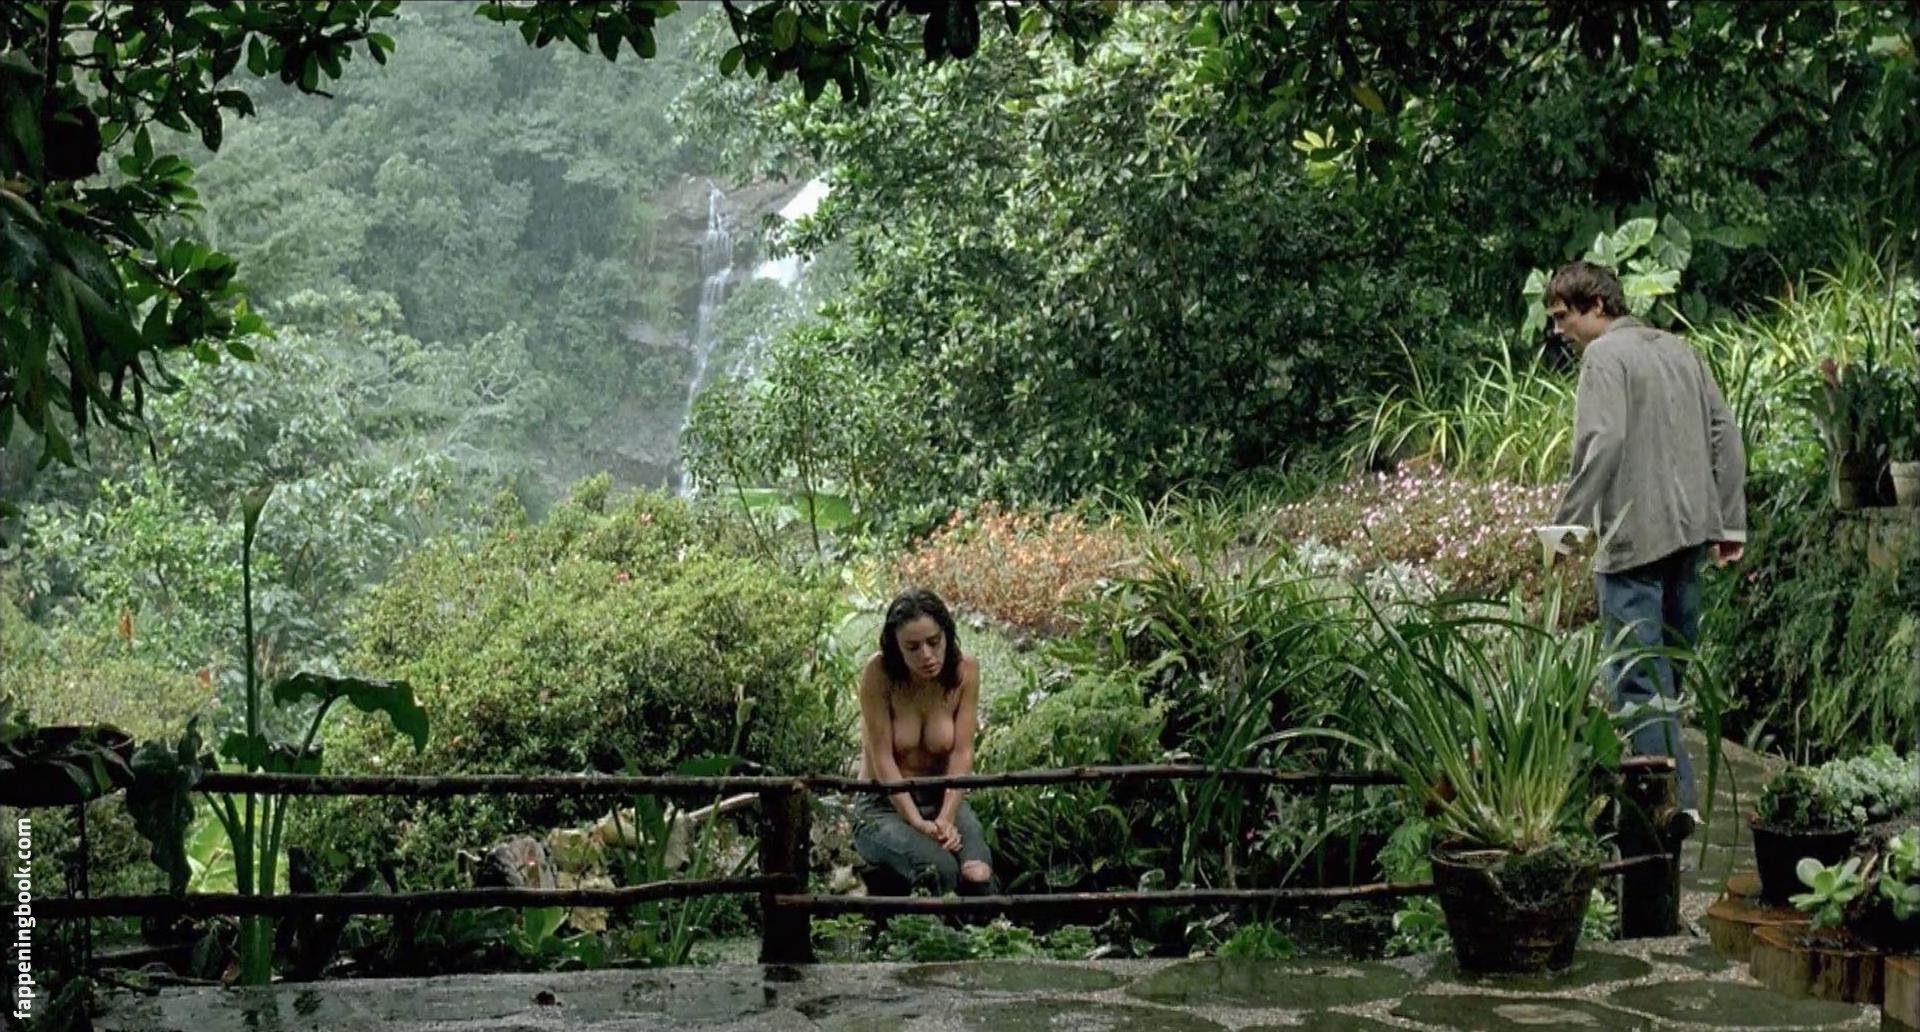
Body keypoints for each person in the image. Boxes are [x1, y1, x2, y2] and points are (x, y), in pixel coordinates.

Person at [1544, 260, 1747, 819]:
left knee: (1639, 686)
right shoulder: (1681, 350)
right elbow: (1726, 433)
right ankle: (1673, 809)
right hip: (1689, 537)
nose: (1558, 330)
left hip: (1633, 542)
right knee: (1668, 680)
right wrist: (1729, 523)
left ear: (1597, 306)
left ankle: (1669, 814)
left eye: (1562, 317)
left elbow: (1603, 441)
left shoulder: (1603, 356)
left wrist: (1567, 529)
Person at [852, 587, 997, 896]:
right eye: (913, 647)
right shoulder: (878, 673)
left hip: (942, 796)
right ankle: (923, 926)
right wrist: (917, 822)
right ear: (896, 647)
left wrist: (946, 818)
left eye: (934, 642)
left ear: (947, 634)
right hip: (883, 804)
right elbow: (882, 757)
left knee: (978, 874)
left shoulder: (965, 671)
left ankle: (994, 926)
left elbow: (962, 752)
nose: (927, 656)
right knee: (939, 869)